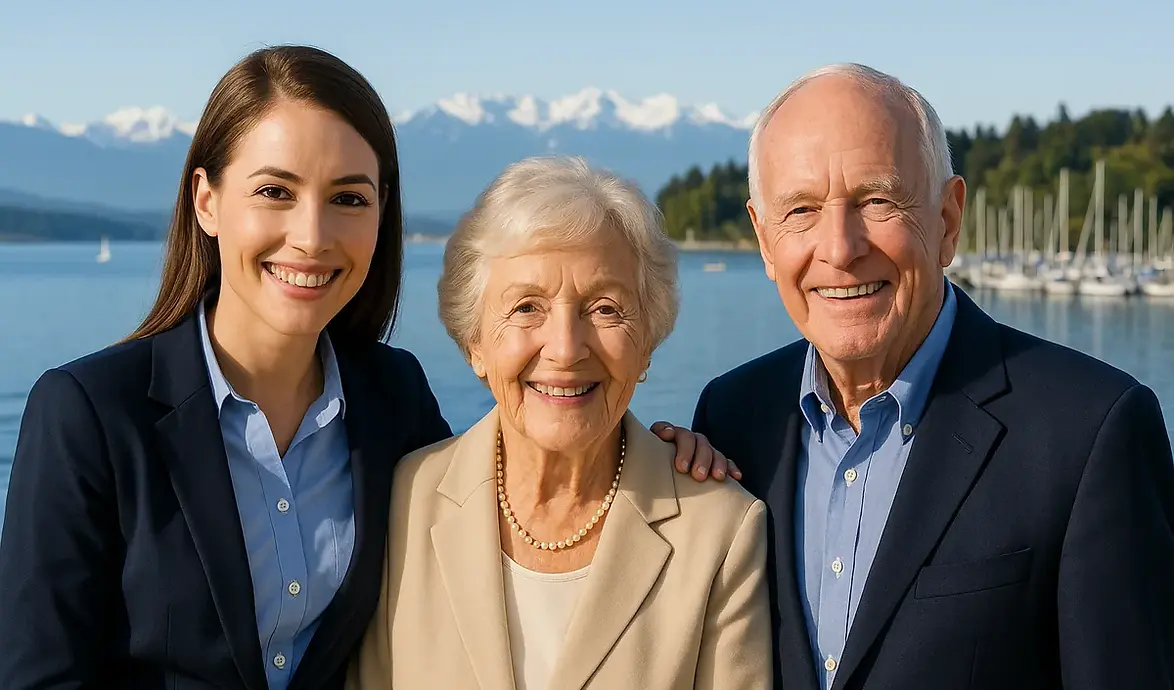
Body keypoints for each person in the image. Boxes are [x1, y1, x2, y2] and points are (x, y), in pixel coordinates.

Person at [0, 46, 733, 690]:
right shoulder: (88, 415)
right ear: (207, 201)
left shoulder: (394, 398)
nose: (312, 236)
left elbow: (500, 491)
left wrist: (657, 458)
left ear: (383, 214)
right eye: (275, 192)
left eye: (348, 198)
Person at [690, 63, 1174, 690]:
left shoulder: (1091, 432)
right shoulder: (731, 418)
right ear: (763, 238)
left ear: (948, 219)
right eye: (802, 210)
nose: (839, 248)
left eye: (876, 201)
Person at [346, 156, 773, 690]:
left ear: (647, 343)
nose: (566, 349)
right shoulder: (404, 500)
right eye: (527, 307)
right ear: (474, 343)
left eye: (605, 308)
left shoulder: (720, 530)